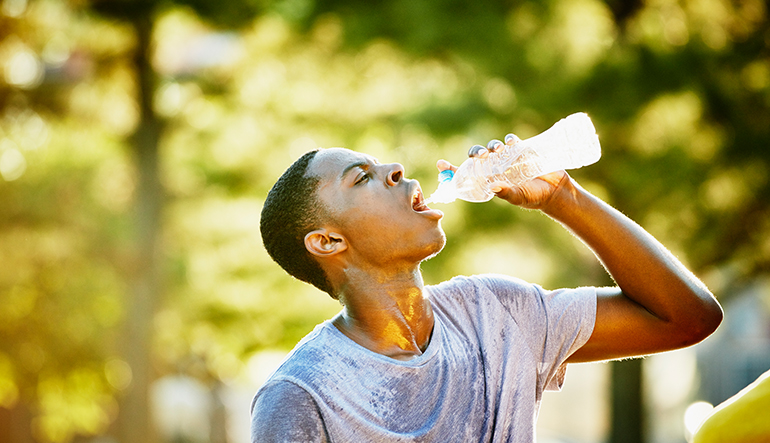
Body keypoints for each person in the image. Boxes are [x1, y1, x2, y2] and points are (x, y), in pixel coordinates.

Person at [252, 134, 723, 443]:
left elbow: (687, 317)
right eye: (362, 177)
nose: (396, 168)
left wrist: (563, 197)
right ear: (328, 241)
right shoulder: (302, 394)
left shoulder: (496, 313)